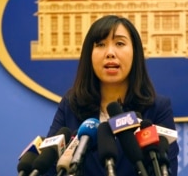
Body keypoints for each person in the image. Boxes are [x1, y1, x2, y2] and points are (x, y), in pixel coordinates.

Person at [45, 15, 179, 176]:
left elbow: (167, 169)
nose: (110, 53)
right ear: (89, 54)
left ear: (135, 52)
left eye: (120, 43)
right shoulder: (71, 105)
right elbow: (49, 169)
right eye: (100, 44)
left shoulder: (157, 108)